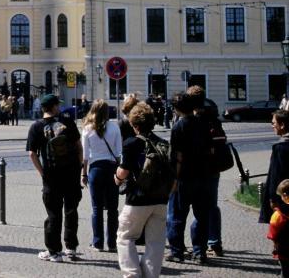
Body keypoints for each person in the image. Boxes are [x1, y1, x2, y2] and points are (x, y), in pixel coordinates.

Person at [115, 102, 171, 278]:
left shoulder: (131, 143)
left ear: (134, 124)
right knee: (155, 242)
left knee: (125, 237)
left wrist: (116, 178)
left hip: (137, 200)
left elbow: (123, 172)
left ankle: (132, 275)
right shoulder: (163, 143)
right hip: (161, 199)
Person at [27, 93, 83, 262]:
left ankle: (54, 252)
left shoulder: (36, 127)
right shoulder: (67, 122)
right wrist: (78, 168)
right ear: (53, 107)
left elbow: (32, 154)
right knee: (71, 211)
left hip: (51, 176)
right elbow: (79, 147)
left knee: (53, 214)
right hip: (71, 174)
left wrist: (42, 172)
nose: (59, 107)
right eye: (57, 105)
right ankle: (71, 248)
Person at [165, 91, 211, 264]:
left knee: (176, 216)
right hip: (203, 175)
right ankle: (200, 252)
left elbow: (177, 156)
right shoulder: (203, 123)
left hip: (183, 177)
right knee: (201, 215)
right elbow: (209, 150)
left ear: (176, 108)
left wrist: (174, 179)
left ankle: (177, 252)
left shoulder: (178, 127)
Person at [187, 85, 226, 257]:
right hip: (214, 168)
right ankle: (215, 242)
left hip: (197, 169)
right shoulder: (213, 114)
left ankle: (198, 247)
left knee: (198, 208)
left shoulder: (194, 119)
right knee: (212, 204)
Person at [81, 99, 122, 253]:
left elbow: (85, 156)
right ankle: (112, 243)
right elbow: (118, 153)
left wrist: (84, 173)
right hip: (111, 168)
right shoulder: (114, 127)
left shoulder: (87, 128)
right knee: (113, 208)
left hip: (95, 170)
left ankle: (98, 242)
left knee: (97, 208)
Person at [262, 111, 289, 227]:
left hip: (283, 197)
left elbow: (275, 175)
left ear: (282, 125)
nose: (272, 125)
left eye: (274, 123)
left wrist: (272, 198)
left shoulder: (280, 148)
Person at [268, 179, 289, 277]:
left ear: (285, 196)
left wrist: (275, 244)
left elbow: (273, 234)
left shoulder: (278, 215)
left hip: (284, 250)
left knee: (285, 271)